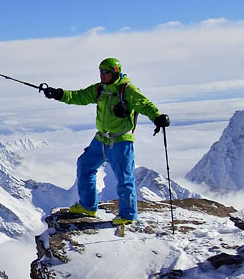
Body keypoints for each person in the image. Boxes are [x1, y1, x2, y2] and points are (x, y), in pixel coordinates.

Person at [43, 58, 170, 225]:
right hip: (101, 138)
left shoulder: (127, 90)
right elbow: (79, 96)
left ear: (115, 72)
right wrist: (58, 94)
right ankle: (88, 206)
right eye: (100, 71)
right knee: (85, 166)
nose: (102, 75)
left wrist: (157, 116)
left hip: (121, 140)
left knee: (124, 178)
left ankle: (128, 215)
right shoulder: (99, 90)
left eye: (106, 72)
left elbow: (144, 104)